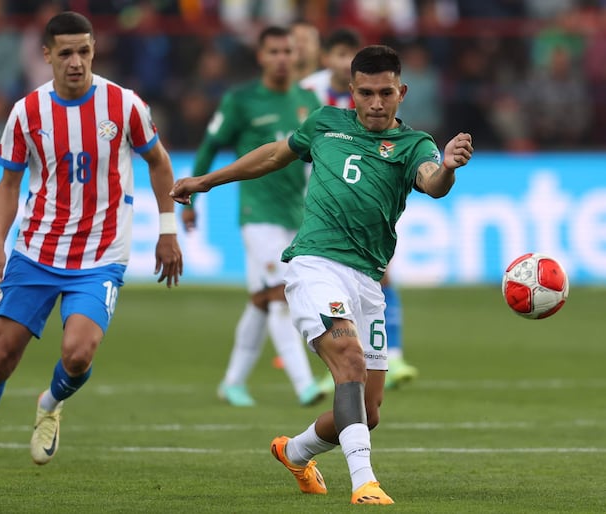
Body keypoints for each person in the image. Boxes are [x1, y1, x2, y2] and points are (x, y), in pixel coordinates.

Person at [171, 44, 473, 505]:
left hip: (368, 280)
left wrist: (448, 168)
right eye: (366, 92)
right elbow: (274, 155)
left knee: (368, 411)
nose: (376, 103)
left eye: (386, 93)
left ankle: (294, 452)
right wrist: (205, 181)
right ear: (350, 91)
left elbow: (432, 182)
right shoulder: (325, 125)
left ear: (402, 92)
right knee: (348, 361)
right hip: (315, 265)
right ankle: (364, 482)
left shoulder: (415, 145)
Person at [0, 11, 183, 478]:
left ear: (95, 51)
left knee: (77, 353)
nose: (77, 62)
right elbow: (9, 184)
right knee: (1, 356)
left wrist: (168, 230)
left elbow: (160, 163)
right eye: (66, 52)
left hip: (102, 254)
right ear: (46, 54)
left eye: (85, 51)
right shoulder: (27, 112)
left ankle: (50, 403)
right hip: (36, 252)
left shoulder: (124, 104)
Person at [181, 25, 324, 408]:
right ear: (261, 56)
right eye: (273, 51)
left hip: (297, 212)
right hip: (257, 213)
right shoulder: (241, 100)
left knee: (262, 298)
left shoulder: (308, 100)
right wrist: (193, 197)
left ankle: (232, 382)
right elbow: (211, 145)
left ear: (296, 56)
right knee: (280, 295)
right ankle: (304, 385)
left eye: (287, 51)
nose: (281, 58)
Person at [302, 28, 419, 390]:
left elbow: (431, 178)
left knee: (380, 274)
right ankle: (335, 366)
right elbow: (286, 144)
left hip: (363, 195)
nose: (375, 100)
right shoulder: (310, 95)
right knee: (315, 287)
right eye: (336, 53)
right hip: (317, 194)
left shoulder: (402, 135)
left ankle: (390, 356)